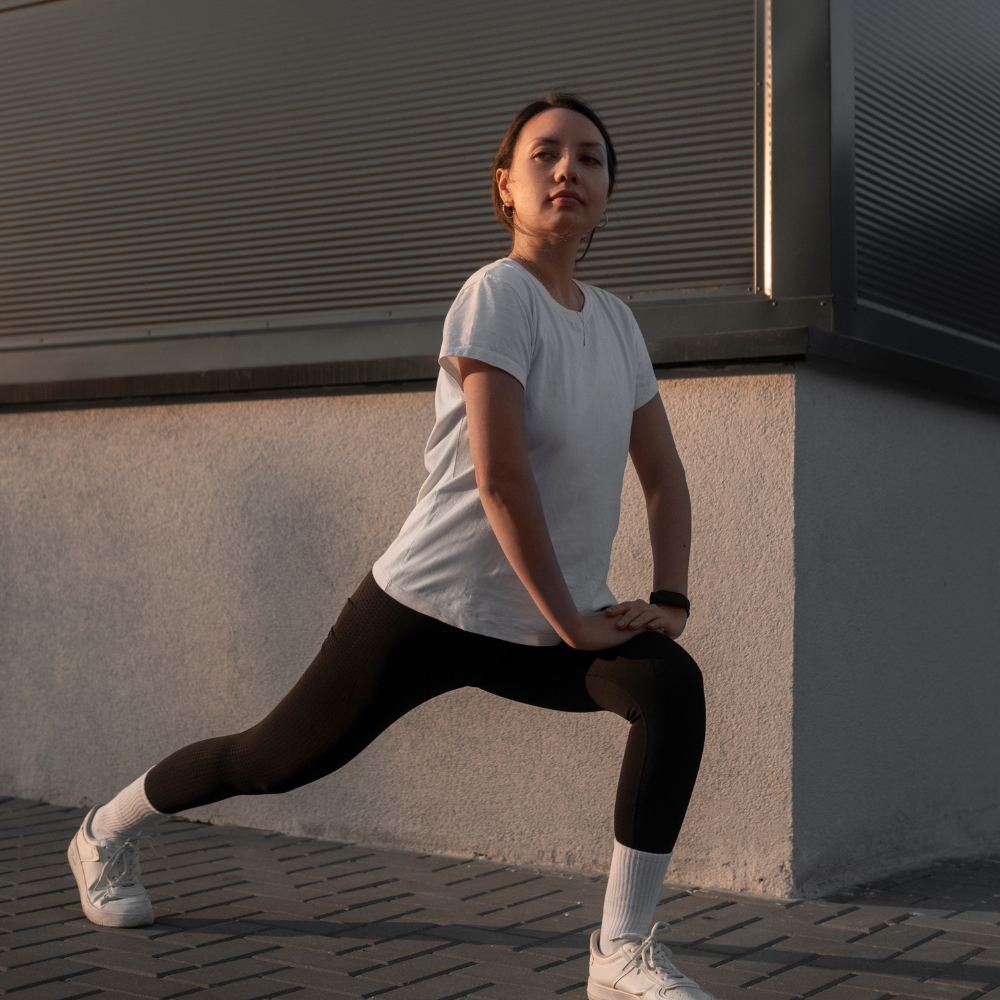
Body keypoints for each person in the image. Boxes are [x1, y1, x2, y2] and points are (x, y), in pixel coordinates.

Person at [67, 93, 714, 1000]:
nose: (569, 169)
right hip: (429, 606)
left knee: (668, 687)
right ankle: (103, 831)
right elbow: (501, 481)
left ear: (607, 192)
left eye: (591, 158)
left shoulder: (614, 323)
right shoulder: (496, 295)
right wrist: (573, 618)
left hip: (549, 622)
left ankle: (620, 949)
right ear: (507, 186)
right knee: (272, 760)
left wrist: (671, 598)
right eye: (546, 155)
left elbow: (664, 476)